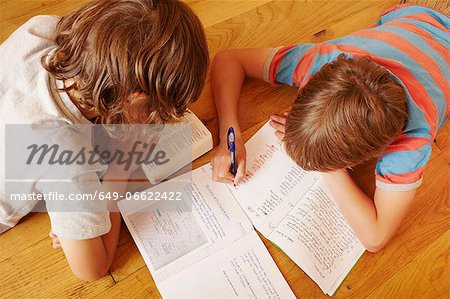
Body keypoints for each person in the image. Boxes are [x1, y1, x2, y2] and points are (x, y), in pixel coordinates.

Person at [211, 4, 448, 252]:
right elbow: (229, 59)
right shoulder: (320, 61)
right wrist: (229, 135)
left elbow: (375, 238)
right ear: (309, 85)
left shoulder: (412, 139)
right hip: (421, 13)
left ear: (376, 152)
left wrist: (328, 169)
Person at [0, 0, 208, 281]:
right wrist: (120, 169)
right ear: (134, 98)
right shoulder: (65, 158)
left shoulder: (42, 29)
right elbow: (92, 269)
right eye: (155, 114)